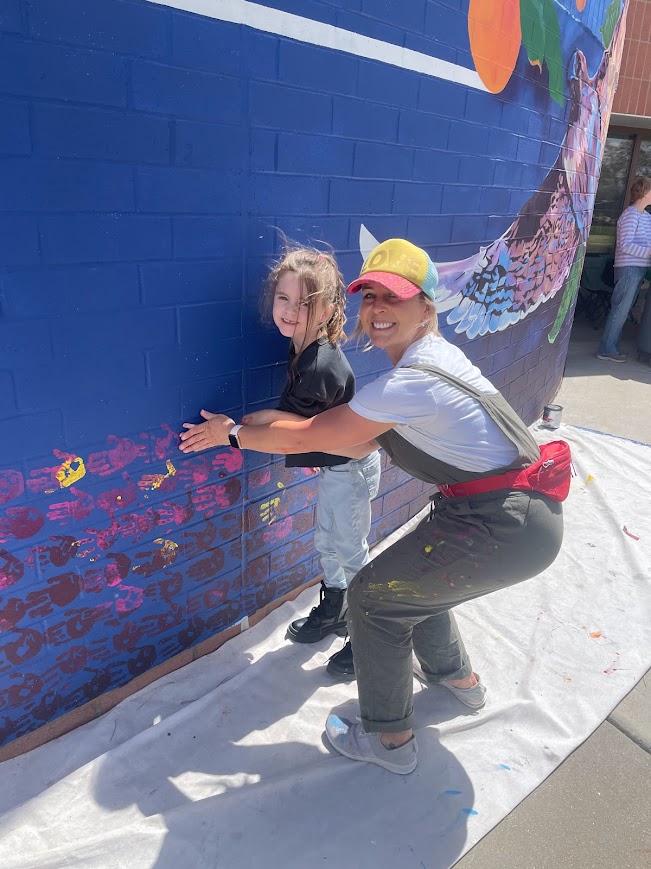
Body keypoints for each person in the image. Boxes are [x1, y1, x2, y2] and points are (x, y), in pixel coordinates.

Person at [179, 238, 565, 775]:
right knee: (410, 588)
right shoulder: (433, 360)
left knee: (373, 598)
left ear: (426, 307)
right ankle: (460, 683)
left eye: (395, 298)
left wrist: (234, 434)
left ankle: (391, 743)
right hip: (502, 516)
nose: (379, 311)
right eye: (371, 297)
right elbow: (354, 440)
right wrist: (258, 425)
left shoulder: (408, 384)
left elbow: (313, 436)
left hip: (503, 525)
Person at [237, 245, 381, 644]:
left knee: (351, 551)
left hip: (350, 467)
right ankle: (336, 609)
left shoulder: (318, 364)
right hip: (336, 463)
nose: (289, 310)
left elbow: (299, 433)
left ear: (329, 310)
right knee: (327, 542)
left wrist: (251, 426)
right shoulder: (302, 345)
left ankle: (367, 636)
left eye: (304, 303)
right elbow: (313, 424)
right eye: (283, 298)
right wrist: (275, 419)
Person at [596, 175, 651, 362]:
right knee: (620, 310)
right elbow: (625, 245)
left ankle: (611, 347)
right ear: (645, 192)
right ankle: (606, 349)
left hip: (639, 269)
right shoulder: (630, 215)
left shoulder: (647, 216)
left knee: (623, 310)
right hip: (628, 268)